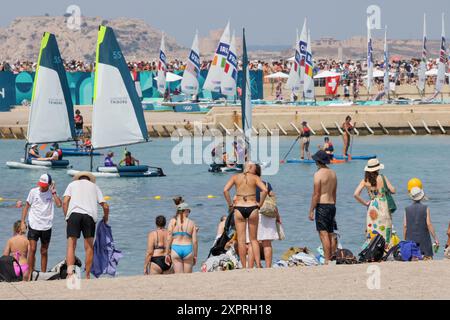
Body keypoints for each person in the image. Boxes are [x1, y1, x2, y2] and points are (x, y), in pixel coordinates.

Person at [63, 172, 109, 280]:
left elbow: (65, 202)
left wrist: (67, 217)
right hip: (89, 217)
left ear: (78, 179)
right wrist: (106, 218)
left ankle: (70, 274)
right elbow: (105, 206)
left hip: (74, 215)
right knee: (89, 248)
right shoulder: (95, 187)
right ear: (89, 180)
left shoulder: (72, 185)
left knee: (71, 246)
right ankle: (87, 275)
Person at [223, 162, 268, 268]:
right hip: (252, 206)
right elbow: (265, 190)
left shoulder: (235, 177)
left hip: (239, 207)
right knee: (253, 239)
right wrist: (260, 204)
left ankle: (244, 266)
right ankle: (258, 263)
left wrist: (230, 204)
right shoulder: (255, 178)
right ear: (251, 168)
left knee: (241, 240)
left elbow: (225, 190)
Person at [21, 174, 62, 280]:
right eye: (41, 184)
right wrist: (22, 221)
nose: (42, 187)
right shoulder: (33, 192)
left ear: (49, 184)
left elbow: (59, 204)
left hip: (46, 226)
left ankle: (43, 275)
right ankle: (29, 273)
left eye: (44, 185)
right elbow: (26, 207)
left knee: (44, 251)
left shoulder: (51, 193)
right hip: (34, 224)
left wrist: (54, 192)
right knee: (33, 249)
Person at [354, 159, 396, 247]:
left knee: (373, 229)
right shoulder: (382, 177)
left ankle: (373, 249)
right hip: (383, 205)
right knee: (386, 228)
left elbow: (356, 194)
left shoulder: (365, 180)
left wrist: (365, 203)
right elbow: (393, 190)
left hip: (372, 207)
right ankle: (386, 250)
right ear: (377, 169)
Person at [247, 164, 281, 268]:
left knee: (252, 242)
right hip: (267, 213)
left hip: (253, 212)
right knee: (267, 242)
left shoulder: (248, 185)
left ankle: (251, 266)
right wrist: (278, 215)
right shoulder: (266, 184)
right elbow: (273, 201)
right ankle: (268, 266)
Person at [308, 150, 338, 264]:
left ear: (318, 161)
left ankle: (327, 259)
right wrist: (333, 206)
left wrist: (311, 210)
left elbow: (316, 194)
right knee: (330, 233)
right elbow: (334, 193)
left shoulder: (318, 174)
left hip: (322, 205)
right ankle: (332, 257)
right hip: (331, 205)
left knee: (323, 233)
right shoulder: (333, 173)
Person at [403, 187, 438, 260]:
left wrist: (405, 240)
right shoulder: (425, 208)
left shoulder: (406, 209)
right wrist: (435, 238)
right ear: (421, 197)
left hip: (411, 243)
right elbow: (429, 224)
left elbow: (405, 226)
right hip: (424, 244)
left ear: (412, 197)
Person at [165, 203, 198, 274]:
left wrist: (167, 253)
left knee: (179, 277)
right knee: (187, 277)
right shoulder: (192, 223)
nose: (189, 213)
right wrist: (195, 255)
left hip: (175, 248)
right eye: (189, 211)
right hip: (188, 249)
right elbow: (195, 241)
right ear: (185, 211)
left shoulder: (172, 221)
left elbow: (168, 238)